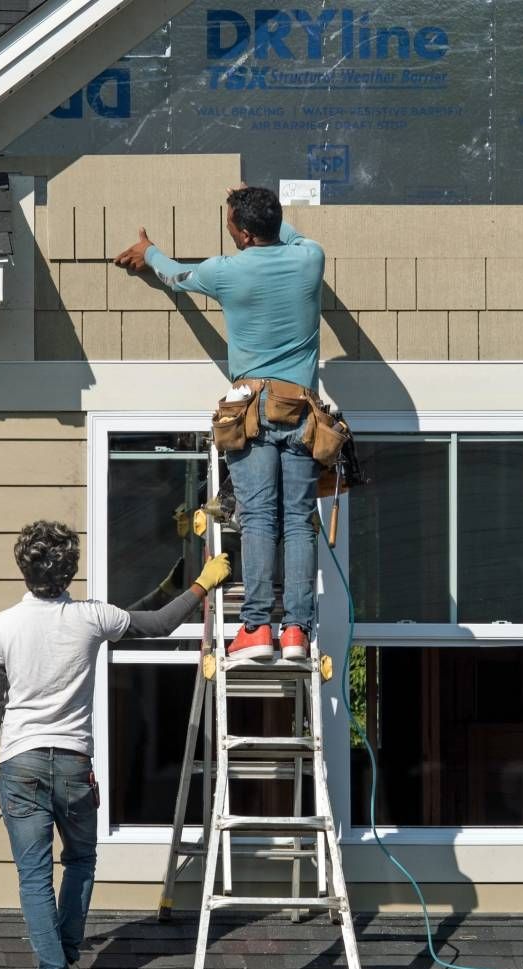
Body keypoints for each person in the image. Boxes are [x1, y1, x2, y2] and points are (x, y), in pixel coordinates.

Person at [0, 520, 229, 969]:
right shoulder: (90, 617)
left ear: (23, 568)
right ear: (70, 571)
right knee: (82, 861)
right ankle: (64, 965)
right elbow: (156, 624)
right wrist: (202, 583)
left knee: (33, 876)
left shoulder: (1, 625)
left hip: (19, 763)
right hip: (72, 764)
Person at [114, 185, 324, 663]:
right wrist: (261, 210)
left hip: (251, 409)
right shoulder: (311, 258)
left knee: (258, 518)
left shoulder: (225, 272)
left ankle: (256, 628)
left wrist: (150, 251)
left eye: (232, 223)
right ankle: (295, 632)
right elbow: (286, 236)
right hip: (303, 412)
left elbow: (175, 275)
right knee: (297, 522)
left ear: (243, 235)